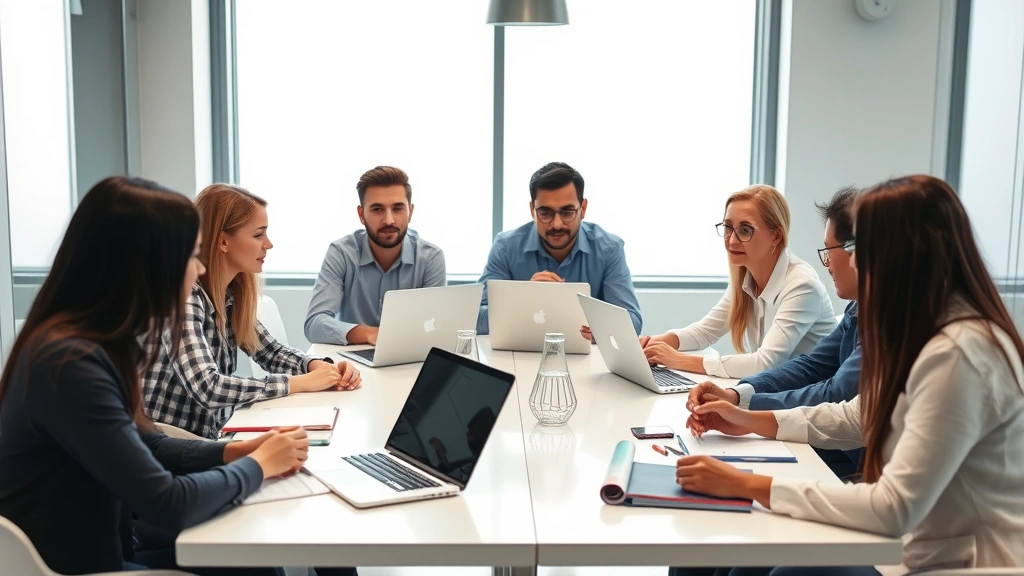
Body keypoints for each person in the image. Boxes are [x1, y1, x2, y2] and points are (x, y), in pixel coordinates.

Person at [675, 175, 1024, 576]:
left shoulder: (959, 353)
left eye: (859, 249)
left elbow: (893, 509)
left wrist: (747, 485)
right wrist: (750, 419)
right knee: (715, 555)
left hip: (956, 560)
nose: (851, 261)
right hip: (914, 539)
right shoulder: (921, 327)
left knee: (782, 569)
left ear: (900, 254)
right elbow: (858, 416)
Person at [0, 176, 309, 575]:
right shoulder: (68, 364)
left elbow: (152, 444)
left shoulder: (96, 343)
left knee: (257, 561)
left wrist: (233, 452)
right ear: (149, 264)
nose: (198, 268)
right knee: (258, 563)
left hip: (111, 545)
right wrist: (258, 466)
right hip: (82, 567)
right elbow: (168, 504)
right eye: (191, 256)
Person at [144, 184, 361, 441]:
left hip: (211, 435)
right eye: (258, 235)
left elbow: (270, 352)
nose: (268, 244)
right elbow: (208, 388)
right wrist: (296, 383)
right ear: (224, 240)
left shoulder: (230, 294)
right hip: (170, 441)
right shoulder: (185, 297)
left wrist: (319, 367)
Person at [686, 186, 862, 478]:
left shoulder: (804, 284)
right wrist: (735, 396)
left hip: (845, 455)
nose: (827, 264)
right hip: (814, 427)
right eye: (728, 228)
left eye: (829, 252)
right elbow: (812, 366)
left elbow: (836, 392)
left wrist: (748, 411)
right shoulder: (858, 308)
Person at [642, 185, 835, 378]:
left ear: (776, 236)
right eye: (728, 228)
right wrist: (651, 344)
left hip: (814, 398)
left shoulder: (802, 286)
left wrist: (678, 360)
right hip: (782, 390)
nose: (731, 240)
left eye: (745, 230)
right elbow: (704, 332)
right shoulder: (745, 277)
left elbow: (764, 363)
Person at [477, 161, 642, 337]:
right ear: (532, 210)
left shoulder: (609, 249)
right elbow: (475, 318)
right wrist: (524, 299)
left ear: (583, 208)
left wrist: (600, 327)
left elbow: (633, 322)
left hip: (587, 360)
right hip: (515, 358)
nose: (557, 224)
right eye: (545, 213)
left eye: (567, 212)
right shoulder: (505, 247)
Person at [305, 165, 446, 345]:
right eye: (377, 209)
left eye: (398, 208)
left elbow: (436, 327)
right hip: (352, 363)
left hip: (408, 360)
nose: (389, 220)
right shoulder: (341, 253)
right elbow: (315, 324)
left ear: (410, 212)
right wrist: (369, 334)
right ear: (361, 214)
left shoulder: (430, 258)